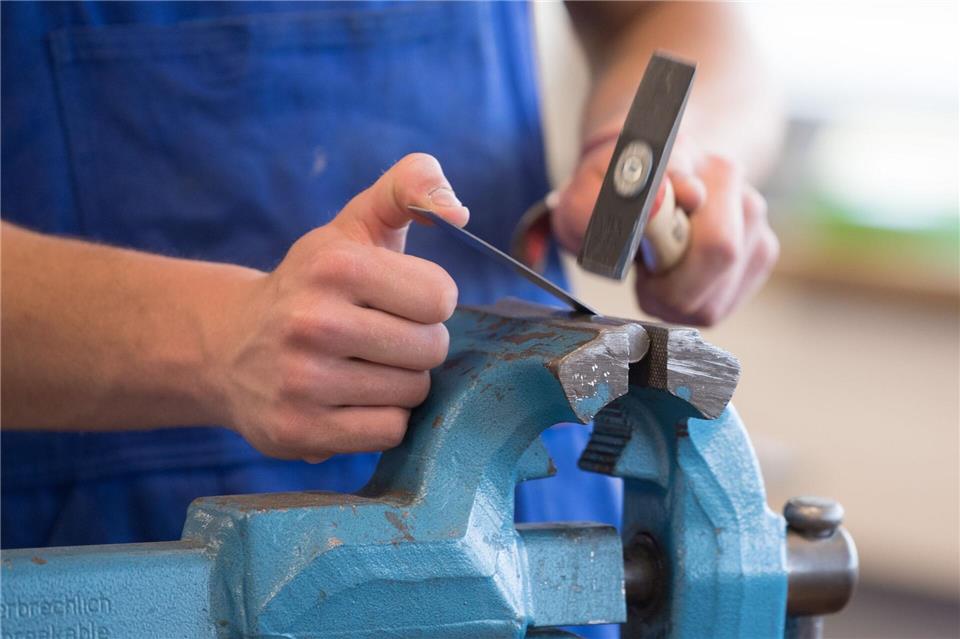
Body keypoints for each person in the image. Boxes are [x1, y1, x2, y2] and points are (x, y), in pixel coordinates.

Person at [1, 3, 779, 634]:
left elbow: (679, 15)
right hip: (105, 543)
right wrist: (216, 337)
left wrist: (671, 157)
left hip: (531, 501)